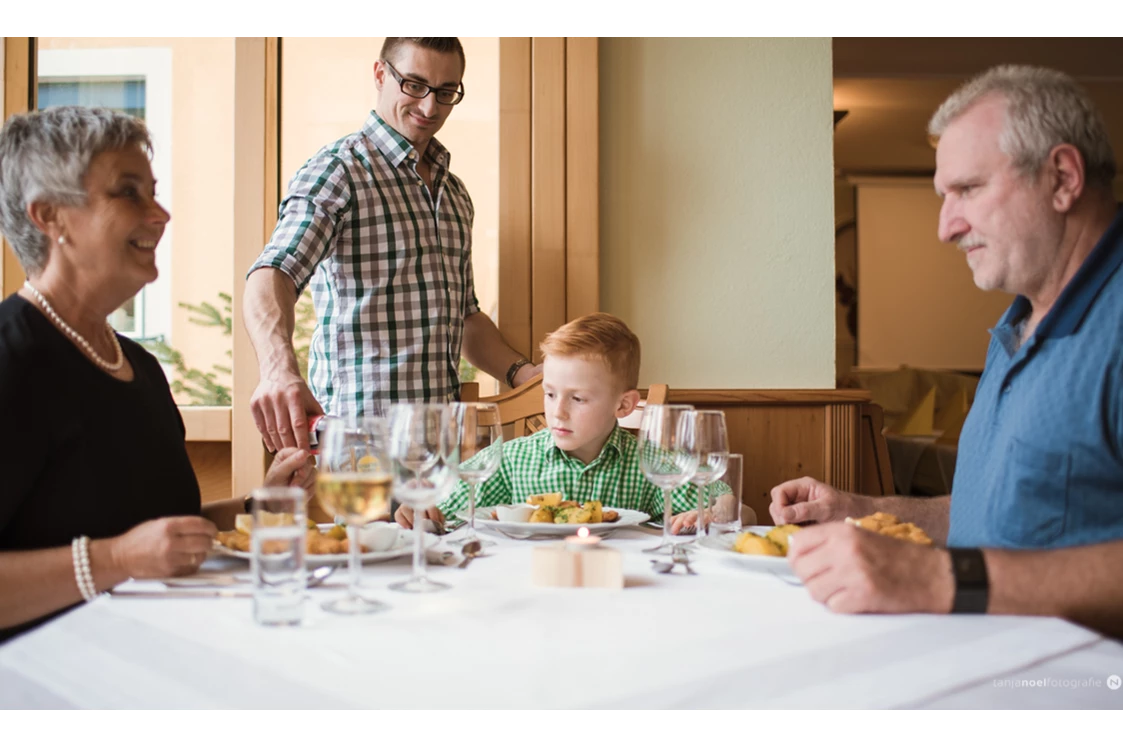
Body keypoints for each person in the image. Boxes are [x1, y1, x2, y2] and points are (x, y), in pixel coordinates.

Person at [769, 65, 1123, 637]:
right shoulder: (1020, 323)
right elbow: (998, 517)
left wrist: (943, 579)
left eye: (967, 189)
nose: (945, 227)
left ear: (1062, 178)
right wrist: (860, 512)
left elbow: (973, 564)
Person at [0, 106, 315, 642]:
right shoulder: (12, 360)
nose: (160, 213)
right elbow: (127, 548)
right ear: (50, 216)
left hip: (152, 654)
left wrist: (256, 507)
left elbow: (160, 527)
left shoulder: (138, 365)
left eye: (154, 190)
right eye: (129, 192)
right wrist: (116, 558)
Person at [244, 36, 539, 456]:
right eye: (414, 85)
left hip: (445, 452)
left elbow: (465, 318)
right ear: (381, 75)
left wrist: (523, 374)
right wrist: (278, 371)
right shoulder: (337, 172)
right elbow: (272, 273)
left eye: (445, 92)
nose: (429, 107)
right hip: (363, 452)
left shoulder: (454, 194)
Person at [396, 313, 737, 532]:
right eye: (549, 394)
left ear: (623, 405)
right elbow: (444, 509)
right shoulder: (513, 460)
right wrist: (421, 512)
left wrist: (715, 512)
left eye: (577, 398)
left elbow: (729, 505)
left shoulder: (646, 463)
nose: (557, 412)